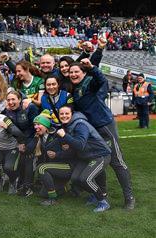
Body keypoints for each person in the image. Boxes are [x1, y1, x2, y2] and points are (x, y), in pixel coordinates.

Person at [69, 59, 135, 209]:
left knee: (116, 161)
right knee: (96, 159)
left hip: (105, 126)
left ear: (83, 73)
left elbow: (100, 80)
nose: (73, 74)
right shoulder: (75, 88)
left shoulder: (88, 83)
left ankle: (129, 197)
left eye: (76, 72)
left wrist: (92, 67)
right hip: (92, 130)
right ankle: (100, 194)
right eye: (71, 72)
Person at [55, 106, 112, 212]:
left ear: (72, 114)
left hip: (100, 155)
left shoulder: (80, 124)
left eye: (67, 113)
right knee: (76, 178)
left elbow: (80, 144)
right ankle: (96, 196)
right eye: (61, 114)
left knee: (86, 179)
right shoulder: (68, 125)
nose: (64, 116)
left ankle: (103, 201)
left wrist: (65, 136)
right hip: (86, 156)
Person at [32, 114, 72, 206]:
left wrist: (56, 154)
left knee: (41, 168)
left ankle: (53, 199)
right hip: (55, 168)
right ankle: (63, 187)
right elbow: (29, 149)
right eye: (34, 125)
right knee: (43, 194)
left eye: (38, 124)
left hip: (67, 166)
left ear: (46, 125)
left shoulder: (57, 135)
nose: (36, 127)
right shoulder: (40, 136)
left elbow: (71, 152)